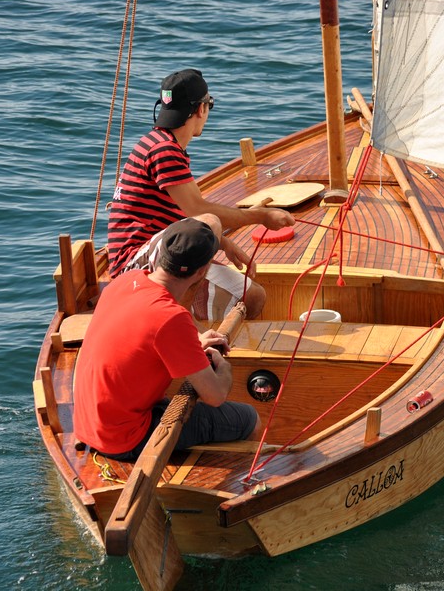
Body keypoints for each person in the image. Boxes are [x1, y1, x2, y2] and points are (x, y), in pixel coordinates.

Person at [107, 68, 295, 321]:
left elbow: (181, 217)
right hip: (131, 266)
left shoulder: (157, 142)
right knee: (209, 221)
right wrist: (262, 216)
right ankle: (178, 320)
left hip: (155, 253)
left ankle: (191, 323)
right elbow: (197, 211)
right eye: (210, 105)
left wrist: (223, 243)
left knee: (253, 297)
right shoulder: (164, 151)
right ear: (200, 109)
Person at [74, 216, 261, 460]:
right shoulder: (171, 318)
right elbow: (215, 396)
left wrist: (193, 344)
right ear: (202, 271)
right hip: (124, 438)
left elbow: (145, 337)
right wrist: (224, 368)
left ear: (162, 253)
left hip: (88, 426)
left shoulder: (124, 281)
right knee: (250, 419)